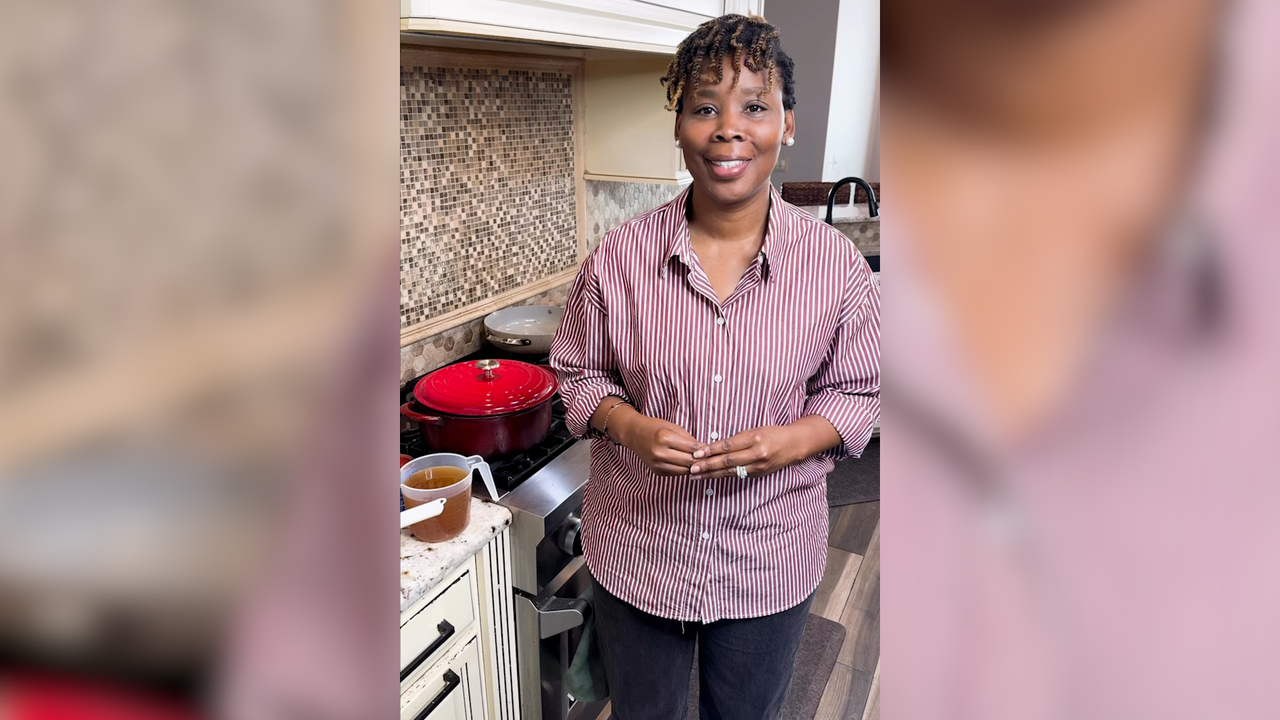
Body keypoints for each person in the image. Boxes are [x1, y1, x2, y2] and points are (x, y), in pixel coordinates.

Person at [549, 14, 880, 719]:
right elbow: (577, 376)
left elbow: (859, 392)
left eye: (755, 106)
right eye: (704, 108)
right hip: (640, 552)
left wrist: (791, 441)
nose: (729, 129)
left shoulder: (836, 269)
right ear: (679, 127)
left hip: (768, 558)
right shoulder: (619, 259)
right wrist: (630, 427)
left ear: (787, 124)